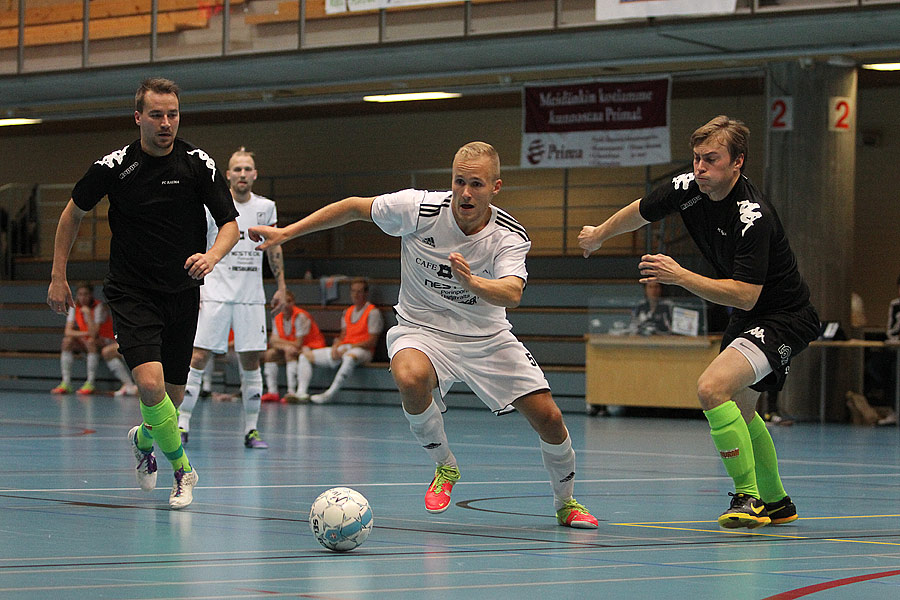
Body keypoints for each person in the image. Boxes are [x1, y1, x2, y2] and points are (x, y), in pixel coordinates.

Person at [250, 141, 598, 529]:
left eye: (477, 185)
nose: (465, 193)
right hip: (421, 329)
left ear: (495, 188)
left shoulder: (509, 236)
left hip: (486, 336)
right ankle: (445, 467)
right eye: (459, 182)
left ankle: (565, 503)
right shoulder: (418, 208)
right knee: (409, 376)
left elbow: (512, 293)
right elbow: (352, 207)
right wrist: (287, 233)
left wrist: (474, 282)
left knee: (549, 418)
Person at [578, 115, 820, 530]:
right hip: (748, 317)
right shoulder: (687, 189)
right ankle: (777, 502)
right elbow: (642, 210)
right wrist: (600, 233)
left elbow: (747, 293)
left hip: (784, 317)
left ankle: (750, 499)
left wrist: (680, 277)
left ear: (737, 162)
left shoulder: (753, 216)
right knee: (741, 412)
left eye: (711, 159)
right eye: (696, 159)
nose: (700, 168)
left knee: (711, 388)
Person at [47, 77, 239, 509]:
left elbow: (230, 223)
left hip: (182, 293)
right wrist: (58, 275)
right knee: (149, 385)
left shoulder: (197, 164)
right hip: (132, 291)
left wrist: (212, 256)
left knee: (169, 400)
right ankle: (184, 471)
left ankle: (144, 438)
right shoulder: (115, 166)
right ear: (138, 118)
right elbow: (72, 213)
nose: (166, 123)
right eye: (156, 115)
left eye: (172, 114)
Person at [176, 147, 287, 449]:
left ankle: (251, 430)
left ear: (255, 174)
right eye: (237, 169)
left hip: (250, 296)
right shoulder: (212, 204)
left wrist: (280, 285)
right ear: (227, 174)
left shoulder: (266, 207)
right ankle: (182, 424)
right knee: (198, 356)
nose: (242, 174)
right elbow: (197, 243)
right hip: (215, 293)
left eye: (247, 169)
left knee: (251, 361)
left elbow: (274, 248)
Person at [294, 277, 382, 404]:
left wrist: (349, 347)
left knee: (350, 357)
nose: (356, 295)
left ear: (366, 293)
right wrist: (336, 346)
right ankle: (301, 393)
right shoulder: (347, 311)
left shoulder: (373, 312)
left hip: (363, 351)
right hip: (344, 348)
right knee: (305, 356)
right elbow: (343, 335)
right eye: (353, 291)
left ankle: (329, 394)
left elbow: (372, 341)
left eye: (359, 291)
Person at [50, 282, 137, 397]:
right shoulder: (74, 307)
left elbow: (94, 333)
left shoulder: (98, 307)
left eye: (86, 294)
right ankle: (65, 383)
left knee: (92, 342)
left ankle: (90, 383)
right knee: (67, 341)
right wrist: (84, 334)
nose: (83, 297)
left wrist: (87, 315)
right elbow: (68, 331)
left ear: (91, 295)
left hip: (106, 340)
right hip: (90, 340)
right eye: (80, 294)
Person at [261, 289, 327, 403]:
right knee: (269, 354)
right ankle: (272, 392)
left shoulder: (300, 316)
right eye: (283, 302)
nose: (286, 305)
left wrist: (280, 343)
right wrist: (283, 344)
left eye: (289, 301)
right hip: (291, 348)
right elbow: (272, 341)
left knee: (290, 352)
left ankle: (291, 392)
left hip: (311, 347)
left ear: (294, 302)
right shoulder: (277, 317)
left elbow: (298, 343)